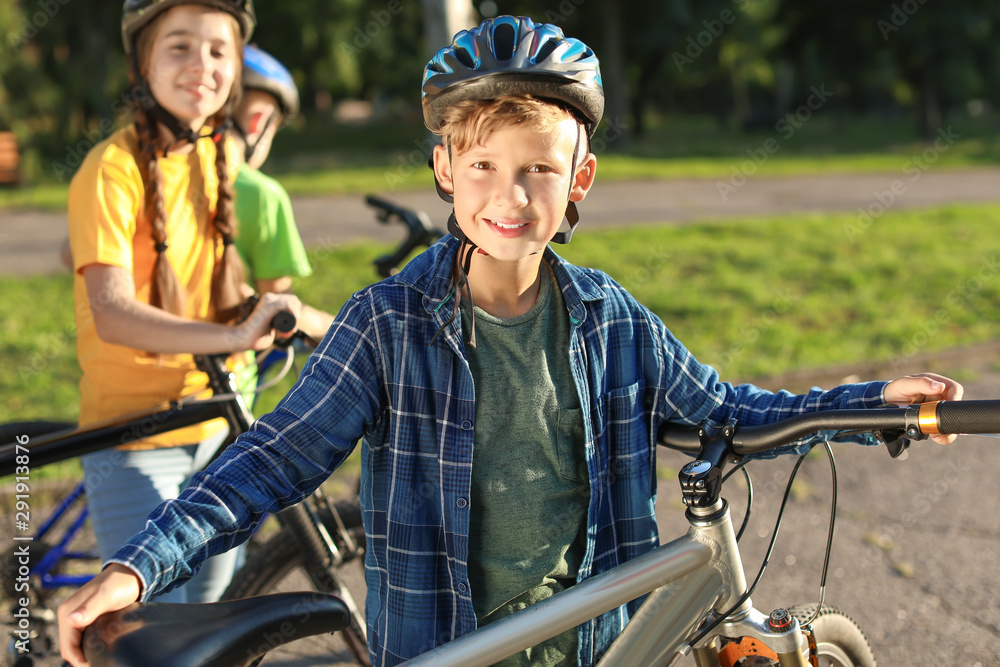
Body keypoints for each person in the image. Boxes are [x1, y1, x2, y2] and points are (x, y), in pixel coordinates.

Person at [58, 16, 962, 667]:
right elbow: (266, 462)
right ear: (445, 170)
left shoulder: (611, 320)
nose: (511, 195)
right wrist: (138, 571)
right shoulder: (387, 326)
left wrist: (868, 403)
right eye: (484, 165)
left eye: (540, 168)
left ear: (581, 181)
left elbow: (733, 410)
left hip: (596, 648)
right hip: (456, 651)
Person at [63, 0, 301, 621]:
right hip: (136, 435)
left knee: (212, 619)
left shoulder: (219, 159)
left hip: (216, 426)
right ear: (144, 61)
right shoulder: (108, 170)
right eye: (179, 47)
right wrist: (233, 337)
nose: (202, 64)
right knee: (151, 633)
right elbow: (112, 313)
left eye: (219, 50)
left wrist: (265, 309)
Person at [230, 43, 334, 341]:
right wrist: (340, 332)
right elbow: (278, 307)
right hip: (224, 377)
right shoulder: (261, 194)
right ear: (258, 122)